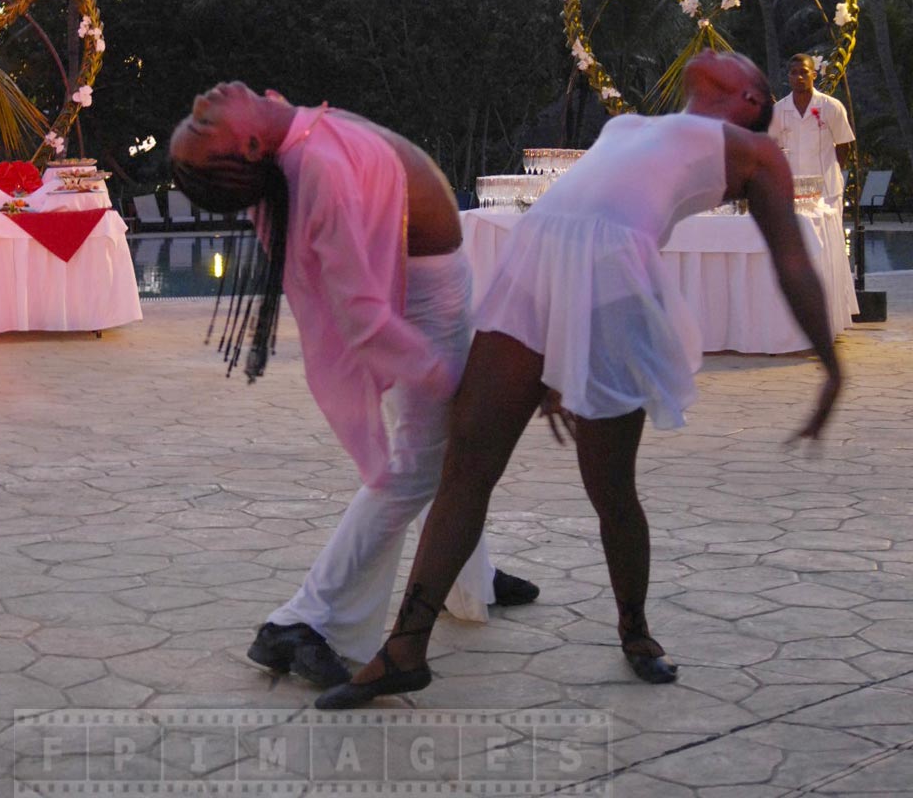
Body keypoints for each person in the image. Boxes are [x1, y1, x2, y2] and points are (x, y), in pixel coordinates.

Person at [317, 51, 843, 709]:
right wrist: (559, 350)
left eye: (734, 61)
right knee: (466, 463)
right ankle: (405, 648)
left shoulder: (752, 150)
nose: (716, 50)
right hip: (534, 265)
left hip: (611, 287)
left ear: (747, 96)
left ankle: (636, 630)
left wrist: (830, 366)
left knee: (610, 486)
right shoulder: (633, 125)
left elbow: (792, 261)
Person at [169, 82, 540, 690]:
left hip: (431, 285)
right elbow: (361, 312)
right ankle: (302, 620)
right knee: (421, 466)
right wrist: (437, 371)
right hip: (422, 304)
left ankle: (468, 577)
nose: (203, 101)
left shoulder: (295, 138)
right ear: (255, 142)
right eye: (204, 122)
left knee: (448, 452)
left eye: (197, 115)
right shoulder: (318, 170)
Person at [768, 54, 854, 212]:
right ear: (788, 77)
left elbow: (844, 145)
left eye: (804, 72)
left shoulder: (831, 107)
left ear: (813, 75)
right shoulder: (778, 110)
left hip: (827, 193)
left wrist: (831, 173)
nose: (799, 77)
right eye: (794, 72)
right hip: (792, 193)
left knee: (827, 237)